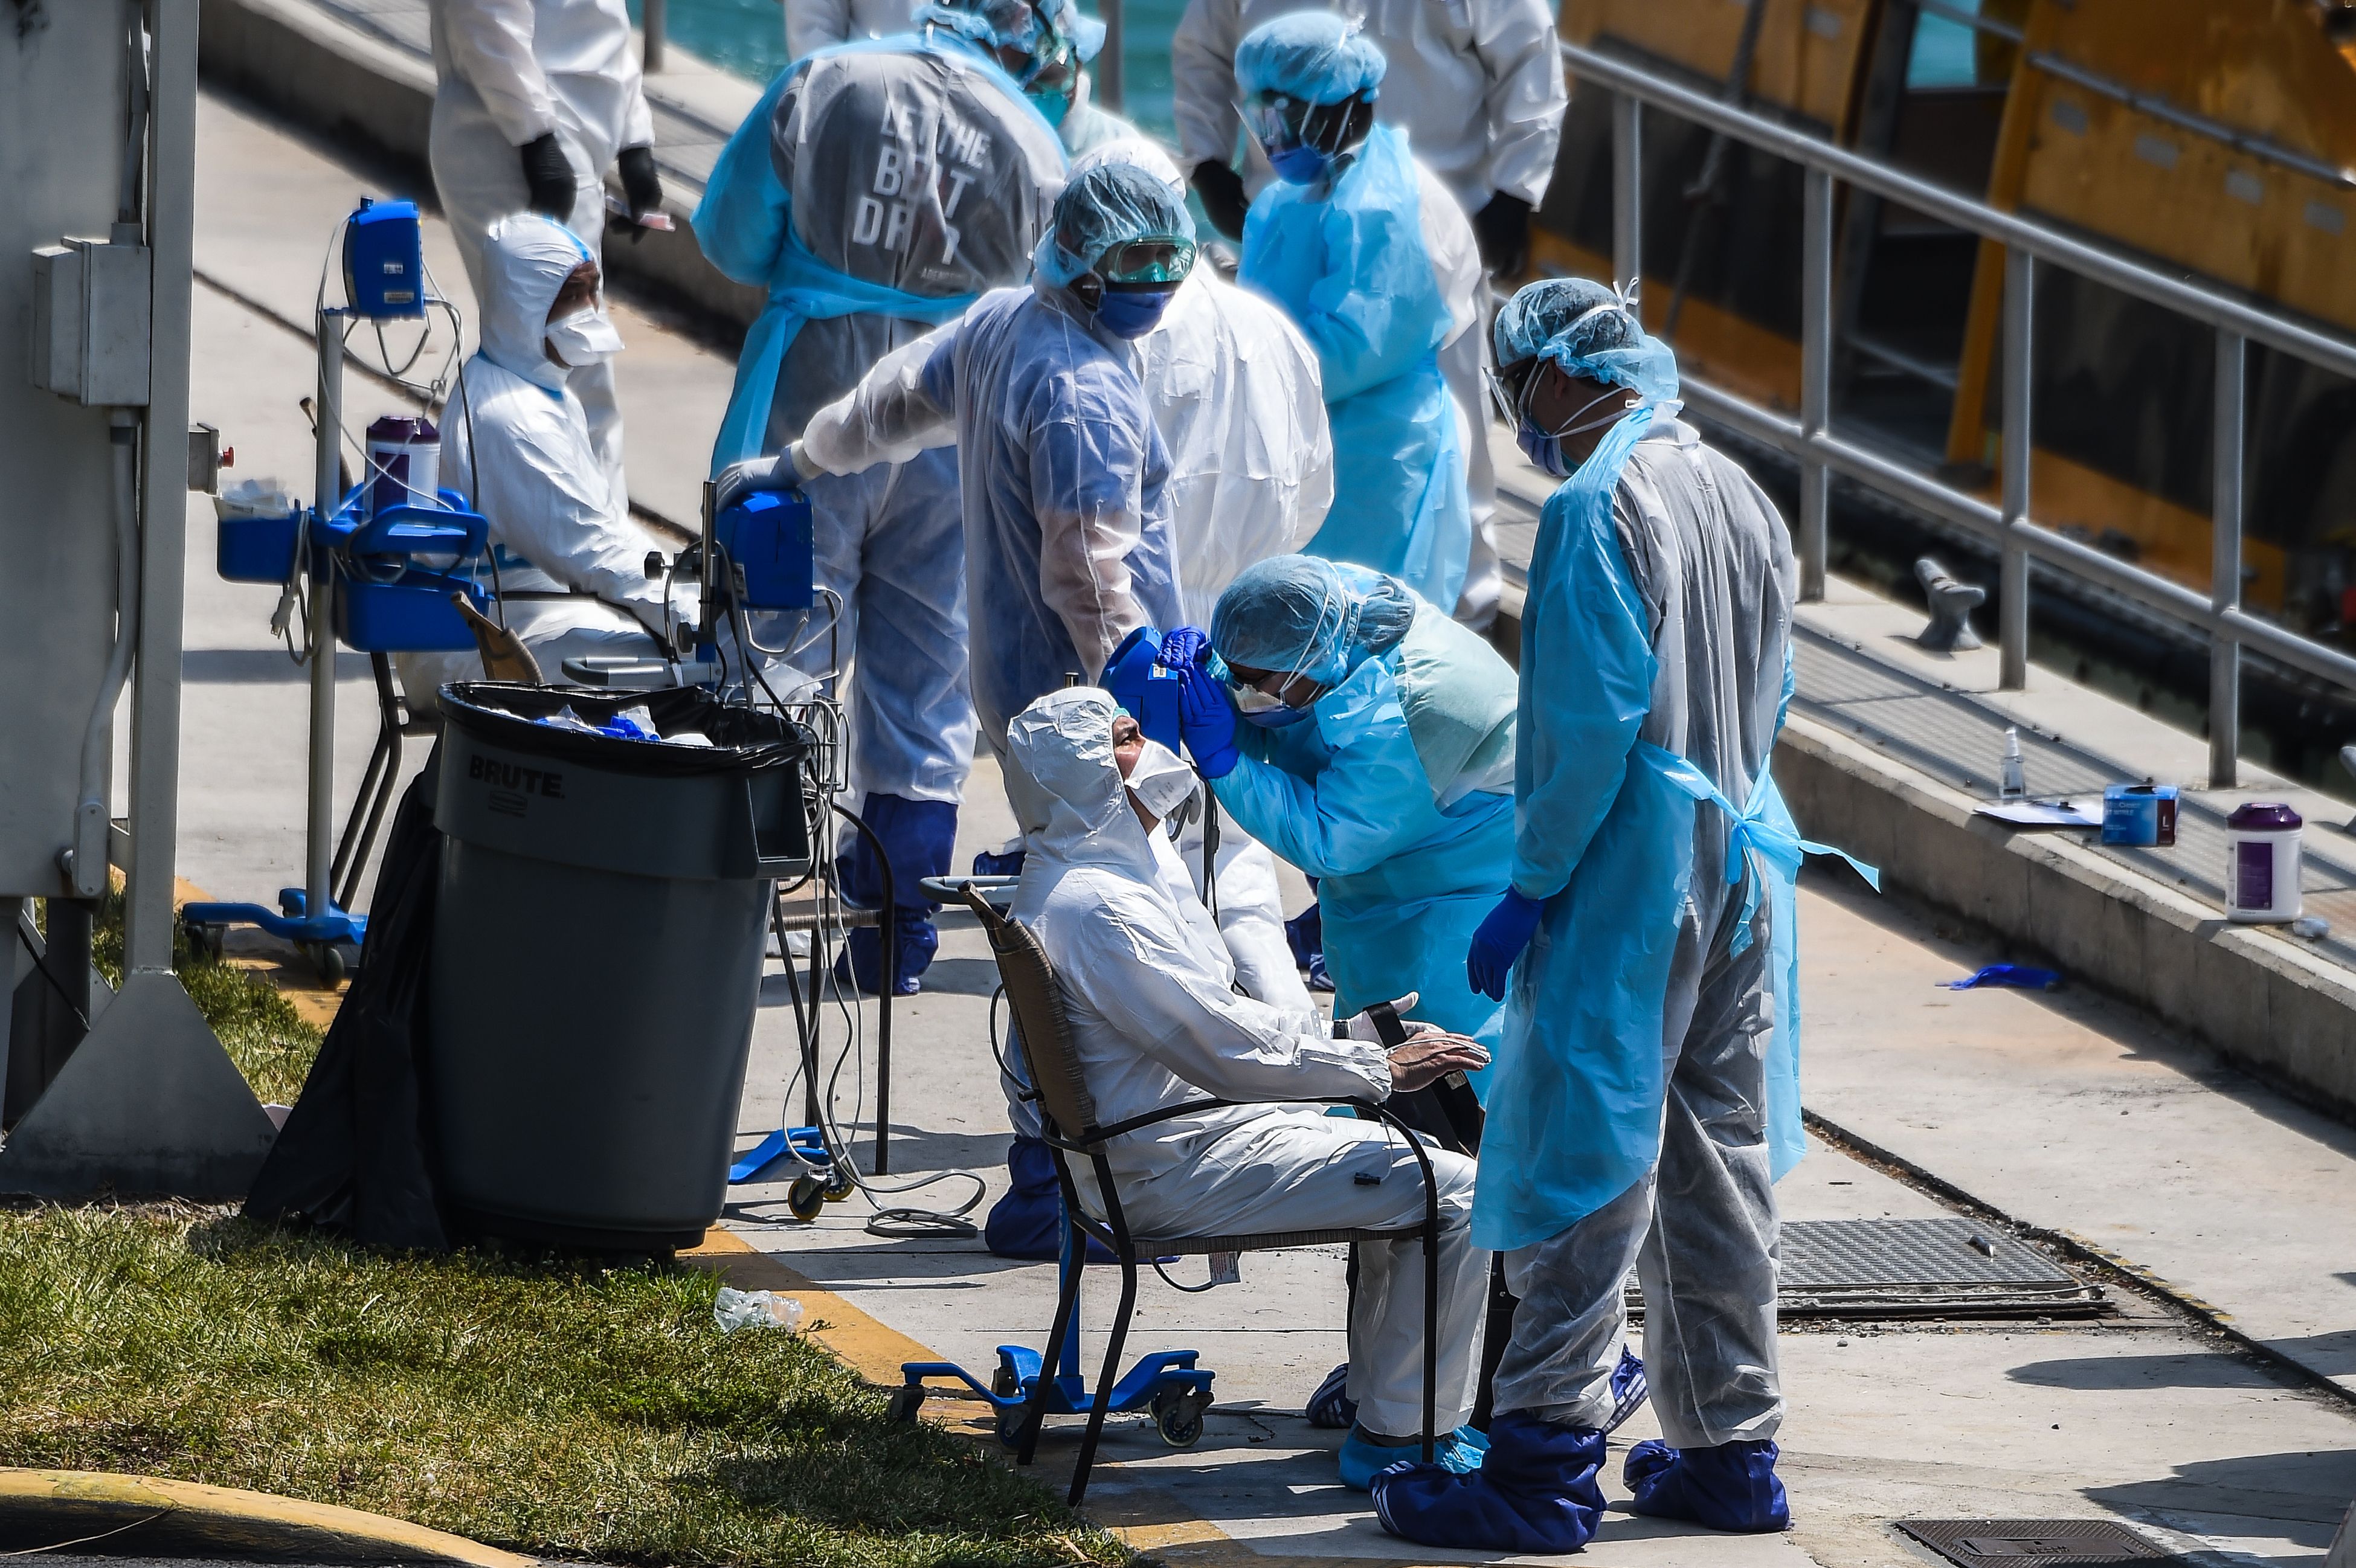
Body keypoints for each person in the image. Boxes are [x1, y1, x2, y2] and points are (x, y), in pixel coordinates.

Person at [1371, 279, 1820, 1552]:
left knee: (1579, 1169)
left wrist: (1533, 883)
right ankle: (1732, 1450)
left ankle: (1540, 1467)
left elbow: (1579, 730)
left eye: (1519, 387)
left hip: (1628, 878)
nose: (1518, 412)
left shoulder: (1593, 507)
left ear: (1568, 376)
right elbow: (1775, 688)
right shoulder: (1735, 490)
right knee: (1718, 1168)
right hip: (1738, 864)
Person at [1000, 685, 1494, 1488]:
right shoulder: (1102, 910)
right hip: (1174, 1162)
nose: (1152, 745)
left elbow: (1212, 1024)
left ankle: (1390, 1410)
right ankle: (1406, 1440)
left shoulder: (1074, 881)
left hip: (1157, 1143)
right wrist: (1377, 1068)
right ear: (1086, 772)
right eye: (1129, 736)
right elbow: (1220, 1051)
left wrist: (1343, 1039)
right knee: (1458, 1193)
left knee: (1412, 1171)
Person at [693, 2, 1067, 994]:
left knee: (773, 656)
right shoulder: (1029, 133)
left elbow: (729, 235)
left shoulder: (827, 83)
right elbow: (1055, 294)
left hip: (810, 405)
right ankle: (891, 942)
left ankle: (728, 917)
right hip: (956, 423)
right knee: (926, 683)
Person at [723, 161, 1190, 765]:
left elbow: (893, 401)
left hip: (1026, 685)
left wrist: (803, 458)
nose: (1155, 281)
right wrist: (1140, 687)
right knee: (1111, 857)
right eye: (1136, 261)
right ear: (1080, 254)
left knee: (1051, 846)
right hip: (1094, 703)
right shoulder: (1086, 394)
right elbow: (1087, 571)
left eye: (1172, 260)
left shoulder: (1005, 322)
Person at [1072, 138, 1329, 1015]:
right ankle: (1292, 1048)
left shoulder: (1119, 344)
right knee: (1236, 855)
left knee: (1152, 874)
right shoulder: (1272, 331)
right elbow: (1313, 496)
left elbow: (1095, 509)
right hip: (1245, 637)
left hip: (1144, 641)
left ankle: (1243, 1060)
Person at [1169, 553, 1516, 1061]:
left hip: (1457, 880)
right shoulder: (1332, 610)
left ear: (1306, 660)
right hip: (1401, 856)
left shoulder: (1415, 708)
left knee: (1442, 1046)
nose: (1243, 691)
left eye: (1253, 681)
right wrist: (1215, 669)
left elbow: (1330, 840)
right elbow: (1286, 674)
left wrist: (1227, 764)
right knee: (1377, 1036)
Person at [1229, 14, 1481, 618]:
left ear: (1336, 107)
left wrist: (1237, 368)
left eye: (1283, 118)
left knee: (1364, 650)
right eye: (1260, 119)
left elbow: (1353, 347)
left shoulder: (1384, 206)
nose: (1272, 139)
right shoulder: (1293, 197)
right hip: (1316, 447)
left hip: (1379, 460)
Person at [394, 214, 678, 702]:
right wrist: (692, 613)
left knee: (669, 658)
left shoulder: (544, 394)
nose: (591, 309)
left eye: (594, 292)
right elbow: (594, 547)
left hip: (525, 614)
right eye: (573, 296)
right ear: (524, 307)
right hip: (474, 639)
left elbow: (605, 527)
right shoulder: (507, 419)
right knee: (681, 675)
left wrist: (682, 582)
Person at [429, 0, 662, 514]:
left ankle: (564, 548)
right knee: (572, 369)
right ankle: (595, 553)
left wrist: (633, 137)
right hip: (514, 142)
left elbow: (605, 19)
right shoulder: (530, 139)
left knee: (558, 367)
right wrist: (535, 135)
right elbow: (484, 14)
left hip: (561, 142)